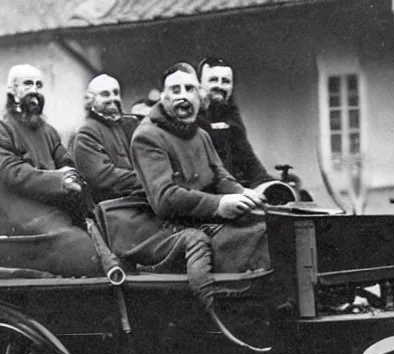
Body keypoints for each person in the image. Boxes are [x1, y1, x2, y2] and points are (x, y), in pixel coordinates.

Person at [130, 62, 269, 308]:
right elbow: (164, 199)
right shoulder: (148, 136)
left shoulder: (200, 134)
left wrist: (247, 196)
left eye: (189, 89)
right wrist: (219, 205)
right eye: (175, 90)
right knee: (254, 240)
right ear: (163, 97)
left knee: (268, 227)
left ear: (200, 95)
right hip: (173, 230)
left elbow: (221, 177)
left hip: (206, 218)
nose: (183, 96)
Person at [0, 64, 101, 277]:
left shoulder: (49, 132)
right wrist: (58, 180)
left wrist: (69, 179)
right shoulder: (3, 128)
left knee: (105, 234)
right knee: (84, 251)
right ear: (12, 90)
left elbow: (68, 163)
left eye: (39, 85)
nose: (35, 90)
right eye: (28, 84)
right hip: (19, 214)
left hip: (53, 209)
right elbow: (12, 173)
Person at [196, 57, 275, 188]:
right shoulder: (189, 117)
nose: (219, 86)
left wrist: (269, 185)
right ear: (199, 85)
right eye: (213, 80)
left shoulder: (231, 116)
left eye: (225, 81)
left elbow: (248, 160)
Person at [73, 74, 141, 203]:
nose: (113, 98)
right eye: (105, 94)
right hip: (112, 208)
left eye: (116, 93)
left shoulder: (128, 125)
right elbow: (103, 177)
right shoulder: (86, 133)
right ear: (90, 100)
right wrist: (146, 179)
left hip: (138, 198)